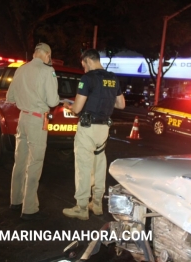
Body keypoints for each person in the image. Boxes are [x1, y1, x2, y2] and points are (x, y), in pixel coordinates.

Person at [62, 49, 125, 220]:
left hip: (87, 129)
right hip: (103, 129)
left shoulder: (87, 79)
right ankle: (97, 204)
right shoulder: (113, 78)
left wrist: (69, 106)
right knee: (99, 166)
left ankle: (81, 207)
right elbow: (121, 104)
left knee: (83, 167)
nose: (83, 69)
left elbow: (77, 108)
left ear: (88, 61)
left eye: (83, 65)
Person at [6, 43, 59, 221]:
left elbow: (10, 97)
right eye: (49, 56)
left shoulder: (20, 69)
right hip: (37, 119)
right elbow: (52, 101)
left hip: (23, 118)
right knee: (35, 163)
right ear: (47, 55)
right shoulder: (47, 71)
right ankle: (29, 208)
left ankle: (15, 201)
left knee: (19, 160)